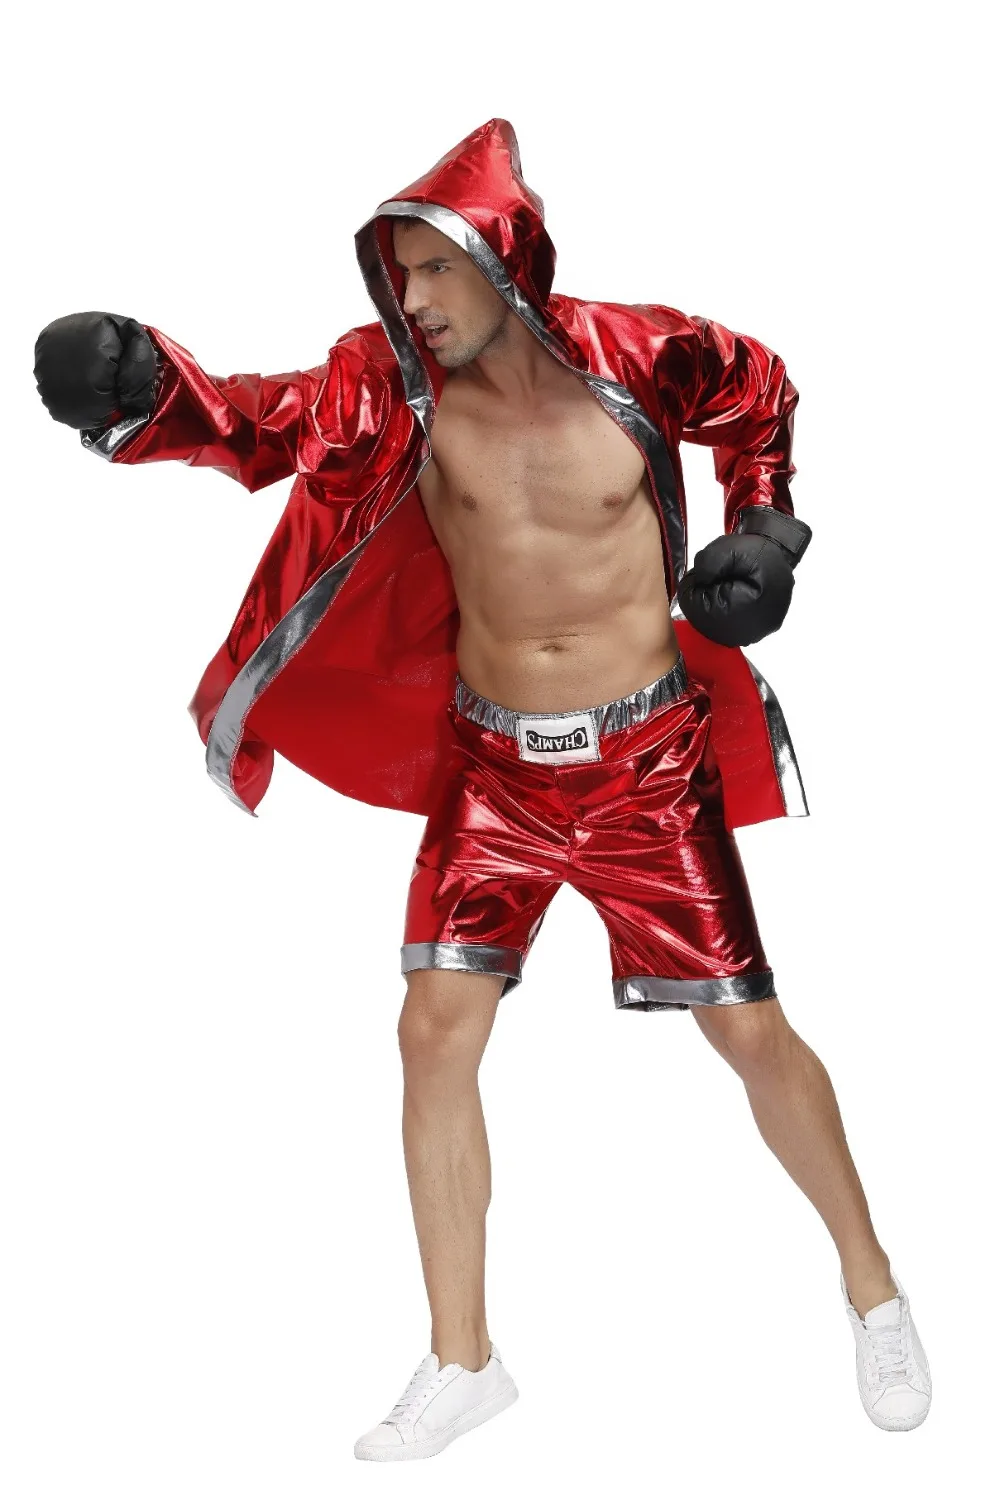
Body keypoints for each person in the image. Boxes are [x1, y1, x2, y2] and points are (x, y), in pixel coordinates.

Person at [33, 117, 931, 1460]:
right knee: (433, 1032)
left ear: (507, 260)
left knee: (750, 1033)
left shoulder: (640, 356)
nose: (414, 300)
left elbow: (758, 391)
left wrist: (768, 529)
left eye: (437, 270)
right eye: (398, 275)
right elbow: (259, 422)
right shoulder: (391, 389)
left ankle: (875, 1291)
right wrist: (147, 384)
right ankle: (464, 1358)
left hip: (645, 766)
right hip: (492, 767)